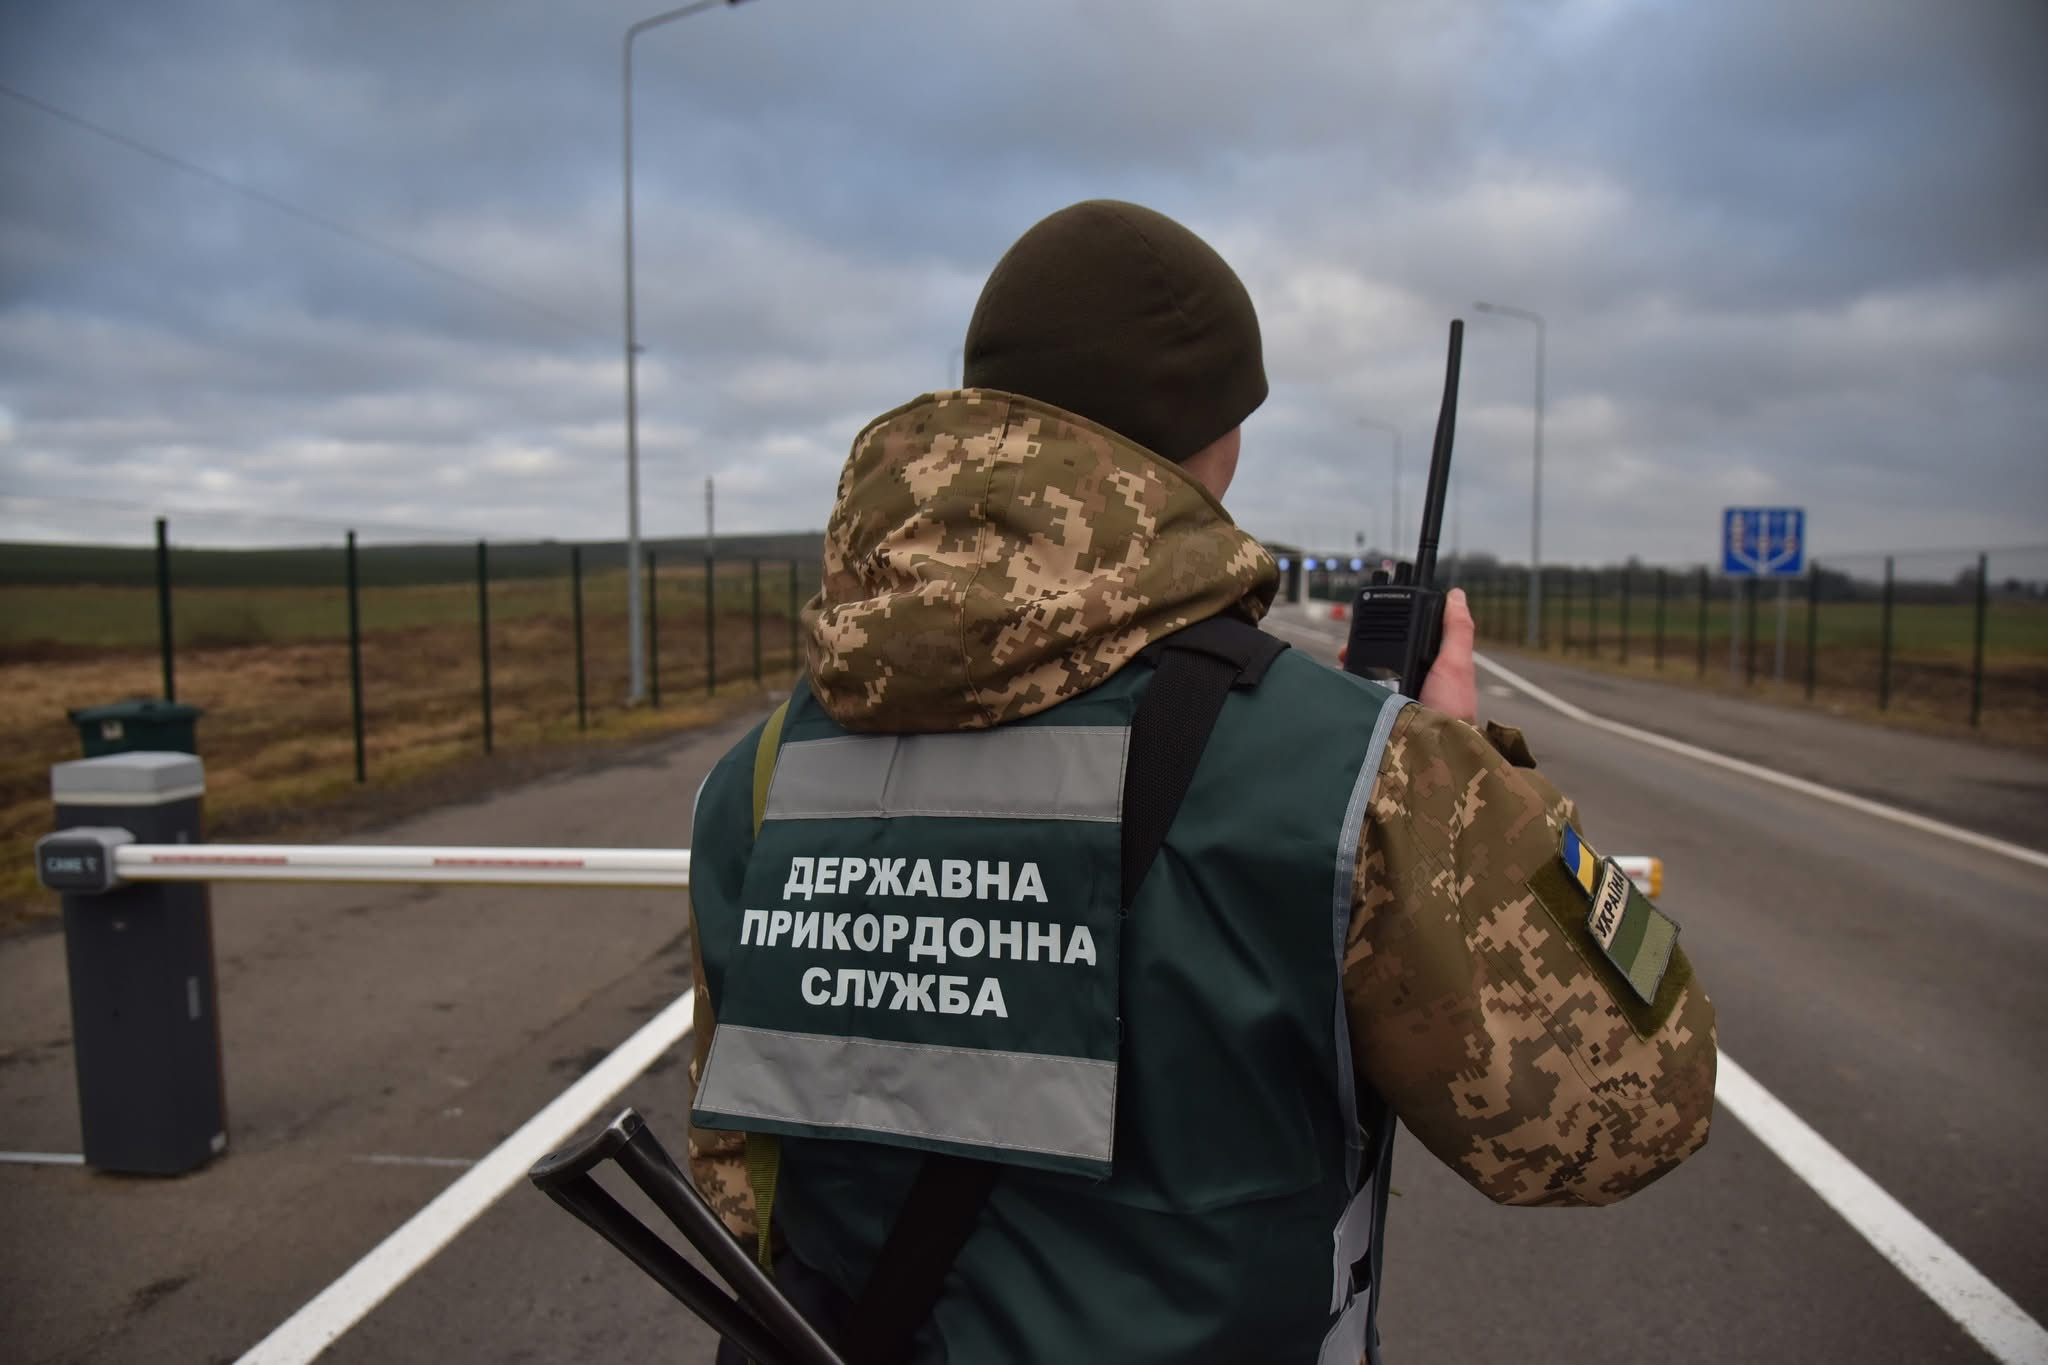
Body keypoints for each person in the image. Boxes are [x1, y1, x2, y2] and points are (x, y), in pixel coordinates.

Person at [683, 200, 1716, 1364]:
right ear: (1216, 441)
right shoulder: (1358, 776)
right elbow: (1621, 1114)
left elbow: (743, 1178)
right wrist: (1467, 782)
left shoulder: (758, 779)